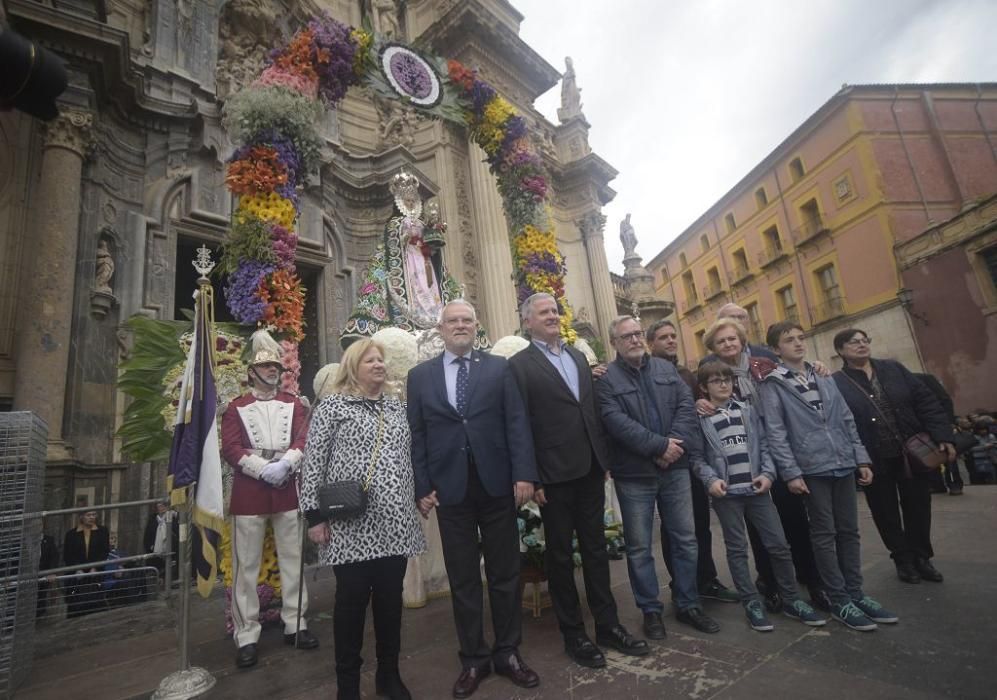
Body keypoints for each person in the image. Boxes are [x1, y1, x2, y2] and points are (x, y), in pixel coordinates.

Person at [406, 300, 540, 699]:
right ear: (441, 328)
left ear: (476, 327)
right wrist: (422, 485)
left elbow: (516, 421)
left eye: (467, 320)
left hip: (498, 483)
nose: (460, 325)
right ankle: (474, 658)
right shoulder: (420, 376)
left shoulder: (499, 368)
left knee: (505, 573)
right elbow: (417, 435)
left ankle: (508, 652)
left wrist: (524, 473)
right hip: (451, 490)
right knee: (463, 578)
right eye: (453, 321)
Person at [509, 293, 648, 667]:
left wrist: (602, 458)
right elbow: (519, 424)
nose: (553, 316)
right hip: (551, 477)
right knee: (558, 556)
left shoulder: (577, 357)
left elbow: (590, 411)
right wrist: (531, 475)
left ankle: (608, 625)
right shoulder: (519, 366)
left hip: (588, 469)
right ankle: (574, 635)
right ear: (528, 322)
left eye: (555, 310)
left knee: (596, 551)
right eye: (544, 312)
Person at [300, 339, 426, 700]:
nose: (378, 365)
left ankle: (389, 675)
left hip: (396, 524)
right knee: (351, 605)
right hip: (350, 526)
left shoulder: (397, 407)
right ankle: (348, 686)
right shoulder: (332, 407)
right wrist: (314, 516)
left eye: (381, 360)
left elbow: (412, 455)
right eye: (370, 360)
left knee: (389, 604)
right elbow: (314, 464)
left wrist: (423, 491)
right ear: (353, 366)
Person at [761, 322, 897, 631]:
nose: (798, 344)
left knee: (849, 531)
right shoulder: (773, 384)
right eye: (789, 340)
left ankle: (856, 592)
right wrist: (791, 472)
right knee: (824, 534)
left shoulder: (822, 375)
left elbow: (846, 418)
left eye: (800, 338)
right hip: (812, 468)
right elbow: (776, 432)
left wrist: (860, 457)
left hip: (843, 461)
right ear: (775, 349)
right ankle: (838, 599)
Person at [596, 315, 720, 637]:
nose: (635, 340)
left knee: (685, 539)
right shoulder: (607, 380)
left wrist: (671, 447)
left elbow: (685, 407)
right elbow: (615, 421)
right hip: (634, 474)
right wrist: (659, 447)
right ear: (615, 343)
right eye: (627, 336)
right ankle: (650, 610)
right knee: (639, 547)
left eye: (638, 334)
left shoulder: (668, 371)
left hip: (675, 470)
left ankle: (688, 603)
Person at [700, 317, 825, 612]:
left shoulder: (764, 364)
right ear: (713, 348)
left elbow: (794, 378)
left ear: (742, 340)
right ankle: (769, 584)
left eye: (732, 338)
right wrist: (698, 403)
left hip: (779, 448)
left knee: (793, 517)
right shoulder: (713, 374)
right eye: (721, 341)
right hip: (746, 459)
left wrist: (818, 367)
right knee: (757, 530)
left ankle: (811, 580)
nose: (729, 344)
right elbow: (706, 403)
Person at [221, 333, 317, 669]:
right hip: (250, 488)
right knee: (245, 567)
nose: (272, 370)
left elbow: (304, 437)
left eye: (275, 365)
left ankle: (296, 622)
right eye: (265, 365)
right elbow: (230, 448)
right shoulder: (235, 407)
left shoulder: (295, 404)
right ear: (252, 371)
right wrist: (263, 469)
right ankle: (246, 634)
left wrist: (287, 463)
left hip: (288, 484)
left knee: (294, 558)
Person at [832, 328, 955, 585]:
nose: (861, 345)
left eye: (865, 340)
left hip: (911, 453)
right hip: (873, 457)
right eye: (853, 342)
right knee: (885, 511)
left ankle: (922, 557)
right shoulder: (837, 382)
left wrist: (943, 435)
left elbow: (926, 401)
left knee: (919, 506)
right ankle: (902, 559)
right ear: (841, 350)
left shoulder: (893, 369)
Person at [646, 319, 738, 605]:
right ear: (651, 344)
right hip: (666, 461)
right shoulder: (645, 372)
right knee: (674, 529)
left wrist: (701, 401)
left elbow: (700, 403)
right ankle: (681, 584)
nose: (671, 340)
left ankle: (706, 579)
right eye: (663, 337)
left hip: (693, 459)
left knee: (700, 524)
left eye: (673, 336)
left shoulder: (687, 373)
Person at [915, 372, 963, 495]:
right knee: (929, 455)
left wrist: (949, 422)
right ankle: (936, 484)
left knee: (948, 453)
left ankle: (954, 483)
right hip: (920, 426)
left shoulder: (924, 378)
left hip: (939, 423)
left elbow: (945, 400)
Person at [63, 510, 110, 618]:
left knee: (95, 602)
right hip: (77, 574)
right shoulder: (71, 534)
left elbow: (104, 552)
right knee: (77, 602)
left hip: (95, 573)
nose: (91, 517)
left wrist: (95, 567)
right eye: (88, 515)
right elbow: (68, 554)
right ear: (82, 517)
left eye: (94, 515)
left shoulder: (102, 531)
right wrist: (77, 569)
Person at [143, 500, 178, 583]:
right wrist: (151, 546)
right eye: (160, 506)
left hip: (170, 550)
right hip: (155, 551)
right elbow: (147, 536)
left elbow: (177, 532)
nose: (162, 508)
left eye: (164, 506)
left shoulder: (172, 518)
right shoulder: (152, 520)